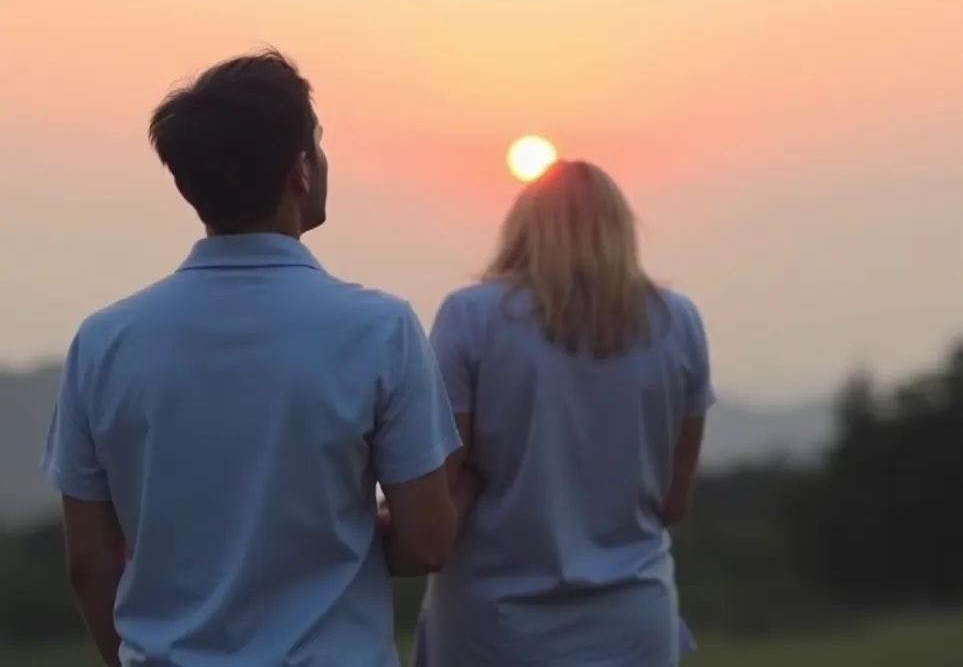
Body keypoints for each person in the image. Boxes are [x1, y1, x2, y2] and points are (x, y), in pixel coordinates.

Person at [40, 49, 461, 667]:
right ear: (301, 172)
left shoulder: (104, 343)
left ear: (187, 184)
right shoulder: (380, 330)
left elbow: (89, 561)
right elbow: (427, 540)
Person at [418, 159, 713, 667]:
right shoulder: (677, 322)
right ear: (620, 229)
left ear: (524, 226)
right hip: (633, 621)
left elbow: (439, 492)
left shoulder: (470, 316)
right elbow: (673, 502)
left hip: (492, 627)